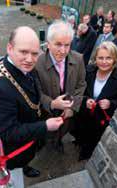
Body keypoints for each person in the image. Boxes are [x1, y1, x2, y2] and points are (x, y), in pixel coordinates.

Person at [0, 26, 63, 177]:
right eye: (23, 52)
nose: (30, 59)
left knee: (30, 155)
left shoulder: (24, 66)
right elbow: (10, 133)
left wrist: (53, 103)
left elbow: (34, 93)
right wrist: (45, 126)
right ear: (9, 48)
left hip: (32, 130)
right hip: (20, 143)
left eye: (34, 53)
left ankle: (26, 165)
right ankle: (23, 167)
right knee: (21, 161)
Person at [35, 20, 86, 150]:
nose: (63, 51)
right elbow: (36, 91)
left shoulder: (79, 59)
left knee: (62, 130)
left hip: (67, 114)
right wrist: (52, 104)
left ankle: (58, 142)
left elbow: (81, 85)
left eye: (67, 45)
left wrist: (71, 108)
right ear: (48, 43)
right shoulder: (37, 63)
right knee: (46, 135)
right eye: (58, 44)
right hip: (46, 114)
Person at [75, 41, 117, 160]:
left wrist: (111, 104)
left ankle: (87, 155)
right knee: (81, 133)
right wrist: (86, 100)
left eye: (108, 58)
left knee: (92, 141)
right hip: (85, 114)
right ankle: (80, 143)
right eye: (100, 58)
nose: (104, 62)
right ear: (95, 58)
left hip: (101, 120)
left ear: (115, 59)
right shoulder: (88, 70)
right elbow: (78, 90)